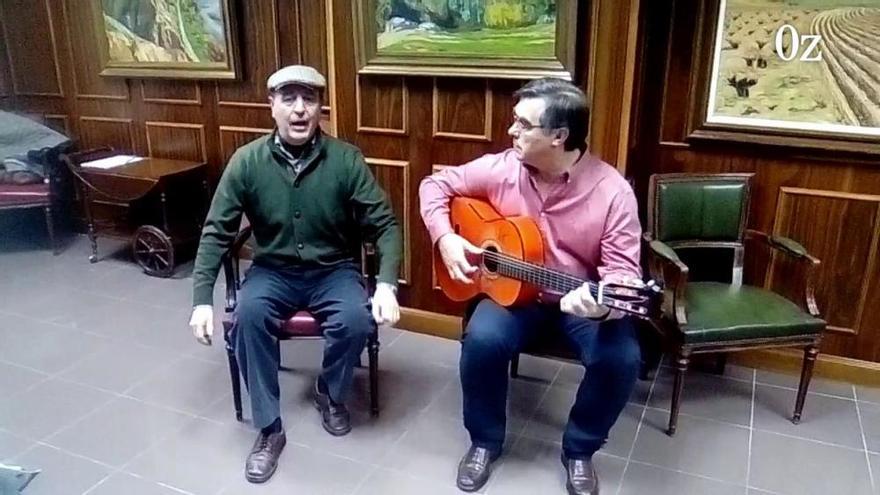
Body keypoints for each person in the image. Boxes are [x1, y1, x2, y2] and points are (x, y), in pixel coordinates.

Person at [419, 78, 642, 495]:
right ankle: (484, 441)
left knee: (622, 358)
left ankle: (580, 449)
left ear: (559, 137)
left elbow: (624, 277)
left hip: (579, 303)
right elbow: (434, 186)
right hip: (513, 296)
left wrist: (603, 306)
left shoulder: (613, 193)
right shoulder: (502, 168)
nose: (511, 131)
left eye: (523, 124)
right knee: (482, 340)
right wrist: (445, 237)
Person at [188, 65, 402, 484]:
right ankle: (269, 429)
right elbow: (217, 231)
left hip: (333, 269)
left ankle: (329, 392)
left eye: (309, 99)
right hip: (273, 270)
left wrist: (387, 283)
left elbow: (385, 224)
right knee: (248, 318)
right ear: (272, 106)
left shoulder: (345, 159)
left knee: (356, 320)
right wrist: (200, 299)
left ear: (322, 108)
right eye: (289, 99)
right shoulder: (247, 161)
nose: (300, 110)